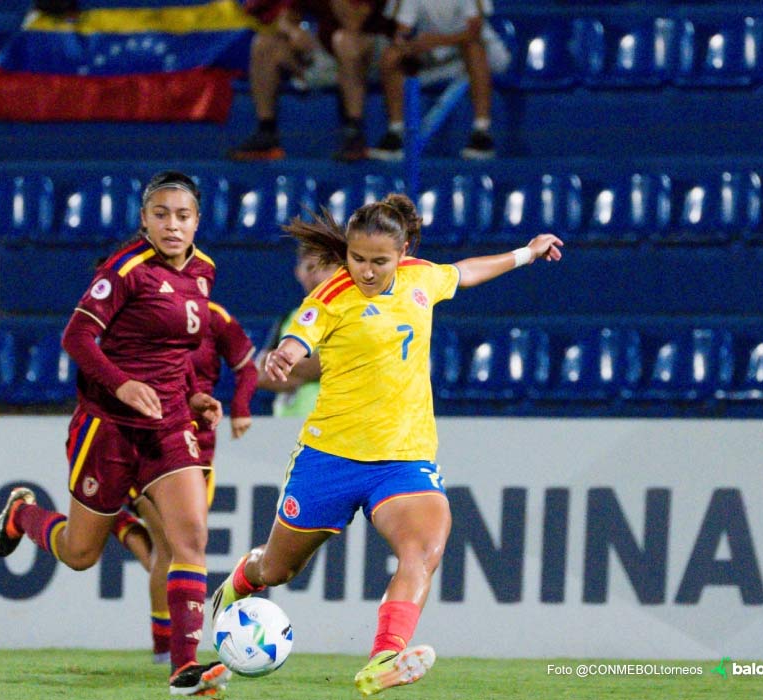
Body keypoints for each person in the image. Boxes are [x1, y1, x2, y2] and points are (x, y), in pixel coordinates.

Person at [210, 194, 563, 695]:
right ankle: (243, 577)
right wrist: (284, 356)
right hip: (330, 457)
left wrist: (526, 253)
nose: (367, 271)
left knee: (424, 548)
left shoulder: (422, 278)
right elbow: (300, 338)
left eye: (380, 261)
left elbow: (465, 271)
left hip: (403, 459)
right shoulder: (330, 297)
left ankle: (384, 659)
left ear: (403, 254)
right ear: (346, 253)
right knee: (279, 568)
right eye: (358, 259)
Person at [0, 170, 232, 697]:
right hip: (108, 425)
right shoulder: (124, 269)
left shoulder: (205, 271)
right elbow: (76, 336)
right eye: (161, 214)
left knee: (190, 536)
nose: (172, 224)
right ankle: (21, 514)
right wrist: (122, 386)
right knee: (80, 554)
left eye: (183, 215)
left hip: (168, 423)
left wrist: (192, 396)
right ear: (144, 218)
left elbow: (179, 351)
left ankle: (184, 668)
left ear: (197, 222)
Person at [116, 298, 260, 666]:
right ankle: (167, 651)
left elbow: (247, 369)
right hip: (149, 441)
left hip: (200, 449)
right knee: (171, 547)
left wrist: (241, 407)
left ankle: (119, 526)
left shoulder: (215, 318)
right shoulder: (139, 317)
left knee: (183, 545)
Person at [230, 0, 397, 162]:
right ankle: (266, 132)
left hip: (373, 54)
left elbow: (353, 23)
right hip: (327, 54)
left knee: (344, 40)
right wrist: (294, 31)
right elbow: (284, 19)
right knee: (264, 44)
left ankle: (354, 132)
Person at [369, 0, 498, 160]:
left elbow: (474, 32)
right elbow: (403, 31)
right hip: (433, 52)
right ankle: (395, 132)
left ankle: (481, 131)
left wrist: (436, 41)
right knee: (391, 56)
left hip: (476, 52)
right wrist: (405, 44)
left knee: (474, 49)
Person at [256, 247, 338, 416]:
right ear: (298, 272)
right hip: (287, 427)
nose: (317, 276)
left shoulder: (354, 316)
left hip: (332, 428)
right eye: (309, 267)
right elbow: (259, 374)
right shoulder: (289, 318)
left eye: (326, 267)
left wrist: (286, 368)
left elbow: (336, 362)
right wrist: (314, 372)